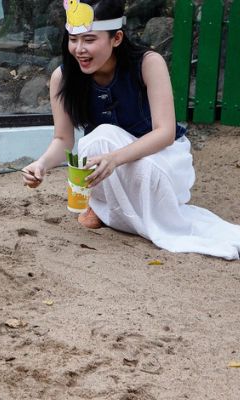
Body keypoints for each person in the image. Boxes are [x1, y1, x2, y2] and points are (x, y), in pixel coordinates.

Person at [22, 0, 240, 260]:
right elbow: (63, 139)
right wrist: (42, 165)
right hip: (107, 162)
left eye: (89, 40)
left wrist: (115, 157)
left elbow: (165, 132)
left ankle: (109, 211)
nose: (79, 49)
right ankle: (106, 207)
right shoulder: (63, 77)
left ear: (116, 38)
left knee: (100, 137)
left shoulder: (148, 63)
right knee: (94, 143)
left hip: (162, 159)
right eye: (73, 39)